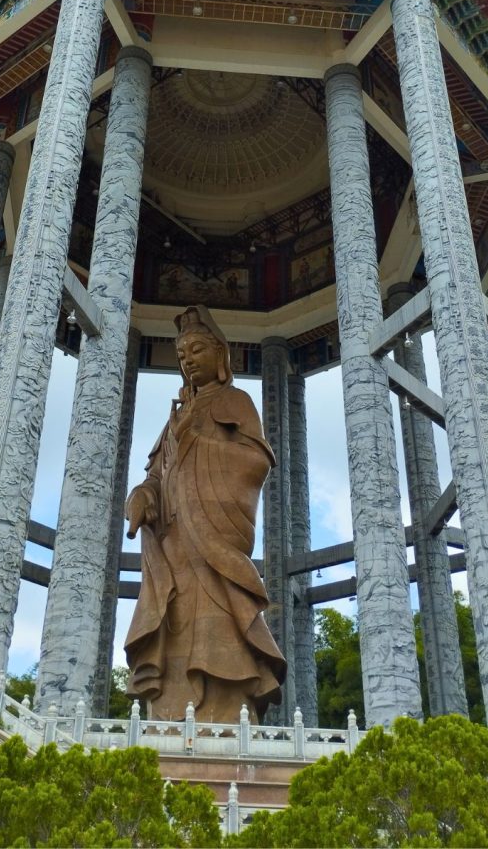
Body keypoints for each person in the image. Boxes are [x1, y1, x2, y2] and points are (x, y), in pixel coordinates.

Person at [124, 305, 286, 723]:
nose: (189, 359)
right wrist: (144, 495)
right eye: (182, 355)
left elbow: (256, 462)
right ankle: (171, 712)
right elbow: (158, 473)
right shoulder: (176, 416)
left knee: (220, 624)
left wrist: (199, 442)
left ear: (221, 356)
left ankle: (227, 713)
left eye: (197, 349)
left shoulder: (235, 401)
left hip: (214, 540)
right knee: (173, 620)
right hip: (175, 543)